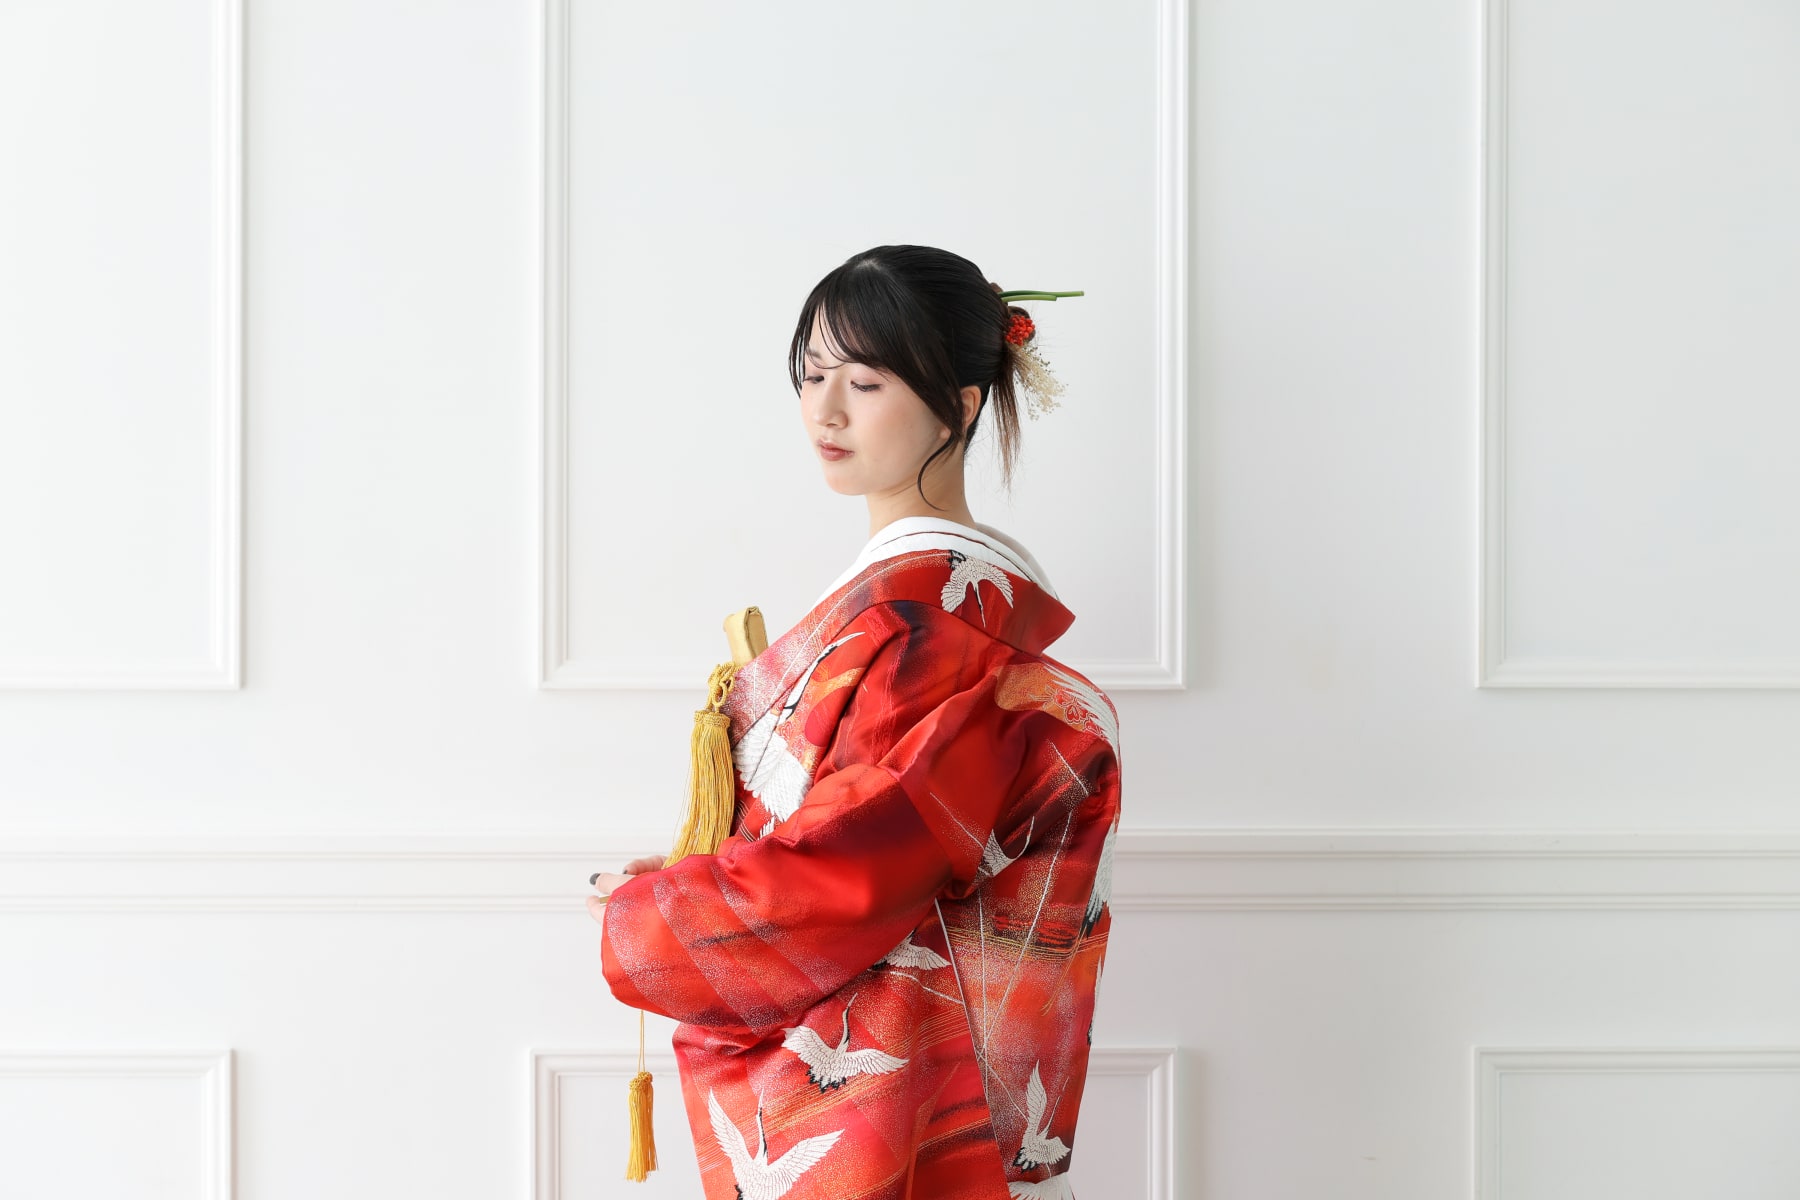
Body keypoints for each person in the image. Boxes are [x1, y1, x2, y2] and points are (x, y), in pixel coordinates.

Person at [589, 245, 1120, 1200]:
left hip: (919, 1101)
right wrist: (701, 869)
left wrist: (659, 916)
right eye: (811, 375)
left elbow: (856, 865)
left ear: (959, 407)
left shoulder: (932, 623)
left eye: (865, 383)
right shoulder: (939, 603)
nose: (824, 411)